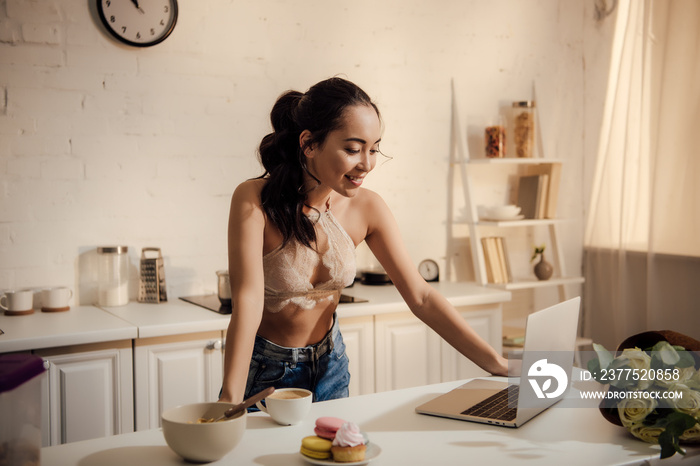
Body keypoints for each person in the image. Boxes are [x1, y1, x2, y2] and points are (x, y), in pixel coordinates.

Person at [219, 77, 508, 405]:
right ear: (309, 143)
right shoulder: (254, 199)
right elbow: (248, 302)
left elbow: (422, 296)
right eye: (353, 149)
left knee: (335, 455)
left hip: (331, 367)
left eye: (374, 149)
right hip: (266, 374)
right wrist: (230, 397)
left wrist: (496, 362)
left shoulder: (367, 206)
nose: (367, 164)